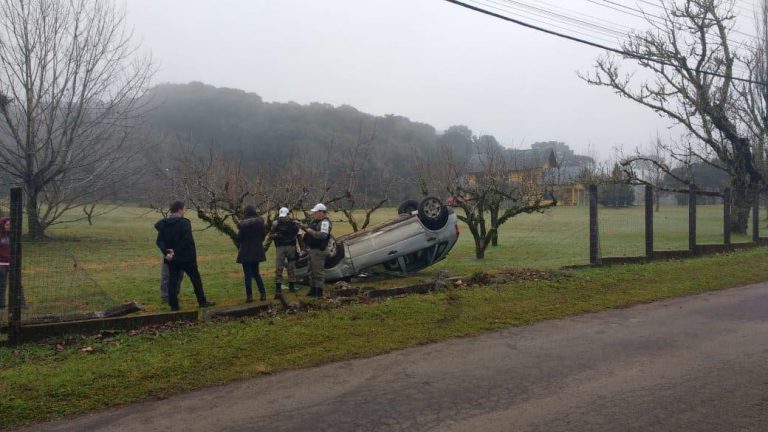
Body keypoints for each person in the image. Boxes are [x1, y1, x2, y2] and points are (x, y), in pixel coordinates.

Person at [155, 201, 215, 311]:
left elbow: (159, 241)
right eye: (183, 209)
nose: (184, 212)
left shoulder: (163, 224)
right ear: (179, 210)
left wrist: (167, 253)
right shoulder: (184, 223)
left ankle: (174, 305)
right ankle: (202, 301)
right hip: (186, 257)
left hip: (172, 259)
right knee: (195, 279)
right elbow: (187, 241)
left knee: (172, 281)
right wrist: (176, 251)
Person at [298, 203, 332, 297]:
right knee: (311, 271)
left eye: (316, 212)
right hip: (312, 250)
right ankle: (312, 290)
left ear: (321, 212)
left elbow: (322, 235)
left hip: (319, 250)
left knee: (318, 272)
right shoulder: (315, 221)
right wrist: (303, 227)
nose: (314, 214)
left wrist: (307, 230)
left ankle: (319, 292)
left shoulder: (325, 222)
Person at [236, 206, 267, 302]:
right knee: (256, 274)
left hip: (245, 252)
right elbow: (262, 237)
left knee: (247, 276)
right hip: (257, 251)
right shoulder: (260, 223)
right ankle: (263, 294)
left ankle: (249, 296)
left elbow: (239, 238)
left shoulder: (243, 225)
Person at [270, 207, 299, 296]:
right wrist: (276, 235)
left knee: (291, 267)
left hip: (291, 247)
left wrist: (302, 248)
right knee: (279, 267)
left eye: (284, 216)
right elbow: (270, 236)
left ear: (288, 215)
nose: (283, 218)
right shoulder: (275, 224)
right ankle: (278, 287)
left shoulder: (294, 224)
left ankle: (291, 286)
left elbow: (299, 235)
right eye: (281, 216)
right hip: (280, 247)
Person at [0, 217, 26, 309]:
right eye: (7, 225)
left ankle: (22, 304)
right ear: (2, 225)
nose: (9, 226)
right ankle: (1, 305)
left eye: (11, 225)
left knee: (18, 284)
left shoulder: (14, 235)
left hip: (13, 264)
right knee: (2, 285)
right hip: (1, 264)